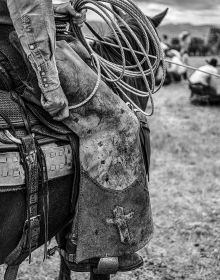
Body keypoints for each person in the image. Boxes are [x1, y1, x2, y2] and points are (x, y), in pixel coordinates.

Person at [0, 0, 149, 273]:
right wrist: (49, 84)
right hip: (10, 49)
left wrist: (53, 10)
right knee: (120, 123)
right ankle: (104, 246)